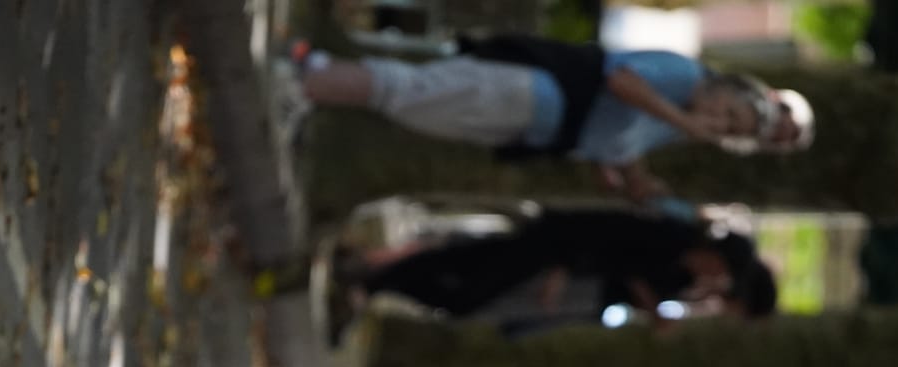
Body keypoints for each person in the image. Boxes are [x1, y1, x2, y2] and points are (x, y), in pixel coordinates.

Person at [287, 34, 814, 199]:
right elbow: (621, 80)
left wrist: (631, 175)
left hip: (537, 126)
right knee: (410, 91)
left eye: (730, 132)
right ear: (730, 90)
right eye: (730, 115)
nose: (719, 125)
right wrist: (684, 123)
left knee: (415, 103)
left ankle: (315, 73)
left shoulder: (683, 122)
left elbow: (620, 138)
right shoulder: (684, 79)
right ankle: (303, 84)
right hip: (535, 93)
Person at [335, 209, 777, 340]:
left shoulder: (683, 282)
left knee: (462, 292)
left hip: (577, 289)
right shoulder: (672, 235)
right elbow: (606, 233)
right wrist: (563, 268)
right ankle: (372, 276)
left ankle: (374, 279)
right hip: (556, 254)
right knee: (465, 277)